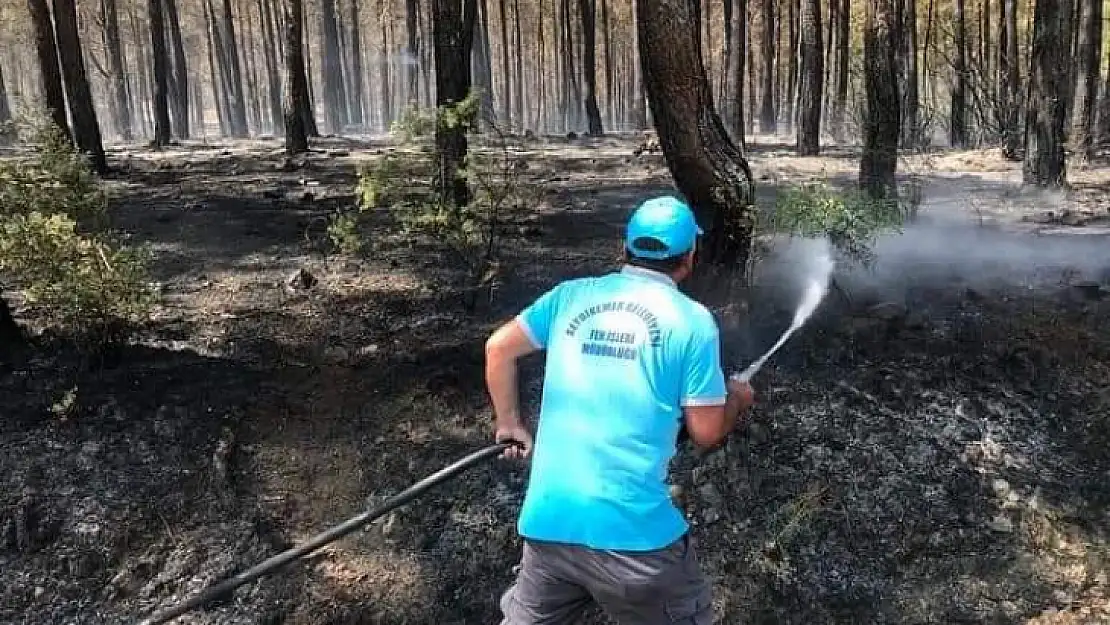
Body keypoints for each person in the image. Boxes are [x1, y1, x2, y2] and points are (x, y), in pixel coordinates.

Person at [483, 195, 757, 624]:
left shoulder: (568, 297)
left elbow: (498, 348)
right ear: (689, 258)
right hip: (636, 544)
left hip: (548, 526)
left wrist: (509, 423)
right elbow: (705, 432)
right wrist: (737, 398)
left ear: (624, 248)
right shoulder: (693, 322)